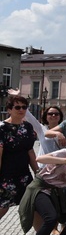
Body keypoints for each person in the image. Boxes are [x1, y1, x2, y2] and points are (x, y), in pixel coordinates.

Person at [0, 95, 37, 223]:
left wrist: (37, 172)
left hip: (24, 175)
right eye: (17, 107)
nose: (21, 110)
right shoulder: (2, 128)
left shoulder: (28, 127)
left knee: (33, 206)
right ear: (9, 109)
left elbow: (30, 151)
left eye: (24, 107)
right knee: (2, 207)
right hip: (6, 175)